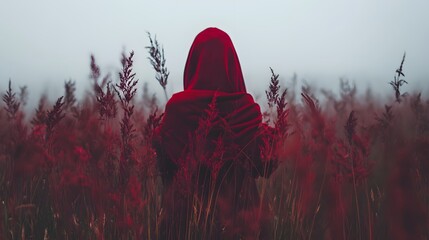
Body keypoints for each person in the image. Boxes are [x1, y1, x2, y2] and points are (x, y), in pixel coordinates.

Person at [153, 27, 278, 240]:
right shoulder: (245, 112)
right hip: (243, 227)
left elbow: (163, 166)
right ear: (232, 66)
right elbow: (267, 163)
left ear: (193, 65)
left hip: (183, 228)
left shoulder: (176, 113)